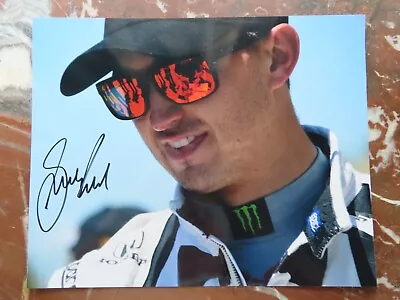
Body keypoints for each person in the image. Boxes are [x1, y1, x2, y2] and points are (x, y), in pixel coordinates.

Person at [48, 16, 376, 288]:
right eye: (127, 92)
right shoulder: (98, 281)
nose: (159, 119)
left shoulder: (384, 233)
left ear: (276, 57)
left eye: (186, 74)